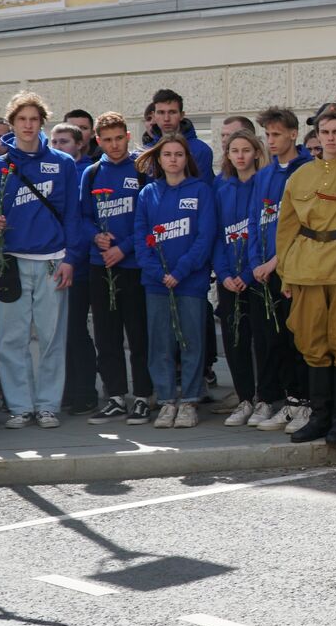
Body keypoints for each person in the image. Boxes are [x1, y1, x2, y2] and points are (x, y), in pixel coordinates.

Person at [0, 92, 79, 430]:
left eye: (33, 119)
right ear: (12, 123)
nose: (27, 125)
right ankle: (20, 407)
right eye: (21, 119)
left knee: (52, 337)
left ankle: (48, 405)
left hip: (54, 260)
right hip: (11, 261)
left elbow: (72, 215)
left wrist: (70, 258)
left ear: (42, 123)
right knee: (12, 338)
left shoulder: (64, 164)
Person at [275, 106, 336, 445]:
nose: (330, 138)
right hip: (307, 265)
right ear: (316, 136)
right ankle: (319, 417)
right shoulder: (299, 176)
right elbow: (286, 228)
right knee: (312, 341)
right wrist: (285, 273)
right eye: (325, 132)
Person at [133, 134, 216, 429]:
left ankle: (190, 401)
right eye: (167, 154)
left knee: (192, 342)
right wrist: (158, 272)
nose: (173, 159)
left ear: (186, 158)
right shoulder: (147, 194)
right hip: (156, 283)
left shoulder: (201, 191)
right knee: (161, 344)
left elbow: (205, 237)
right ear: (159, 159)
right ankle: (167, 401)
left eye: (178, 154)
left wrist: (180, 271)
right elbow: (140, 239)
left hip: (190, 282)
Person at [82, 113, 154, 426]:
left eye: (119, 138)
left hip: (134, 265)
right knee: (106, 336)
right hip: (101, 267)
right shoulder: (92, 172)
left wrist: (123, 248)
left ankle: (142, 397)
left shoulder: (142, 169)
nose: (114, 145)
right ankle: (114, 396)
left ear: (128, 135)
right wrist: (95, 236)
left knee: (138, 336)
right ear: (98, 141)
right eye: (107, 140)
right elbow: (82, 216)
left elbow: (150, 218)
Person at [247, 106, 313, 432]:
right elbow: (254, 222)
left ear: (292, 134)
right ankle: (276, 399)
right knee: (268, 340)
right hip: (263, 274)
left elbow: (304, 225)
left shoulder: (308, 171)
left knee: (294, 338)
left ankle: (302, 402)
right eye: (267, 135)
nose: (270, 141)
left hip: (293, 271)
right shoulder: (263, 176)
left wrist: (276, 262)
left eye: (276, 134)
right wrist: (254, 264)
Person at [48, 122, 101, 416]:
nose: (57, 146)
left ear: (79, 144)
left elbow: (81, 221)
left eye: (64, 141)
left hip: (79, 267)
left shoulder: (86, 174)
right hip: (54, 264)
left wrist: (73, 256)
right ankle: (66, 391)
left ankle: (86, 391)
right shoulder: (53, 172)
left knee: (77, 331)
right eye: (54, 141)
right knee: (60, 333)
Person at [213, 129, 264, 425]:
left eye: (246, 150)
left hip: (256, 278)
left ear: (256, 152)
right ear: (229, 155)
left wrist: (247, 273)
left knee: (261, 339)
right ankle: (244, 398)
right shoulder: (222, 191)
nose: (241, 156)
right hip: (229, 280)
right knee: (235, 341)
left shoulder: (264, 184)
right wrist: (224, 274)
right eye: (235, 151)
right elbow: (216, 236)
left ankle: (264, 398)